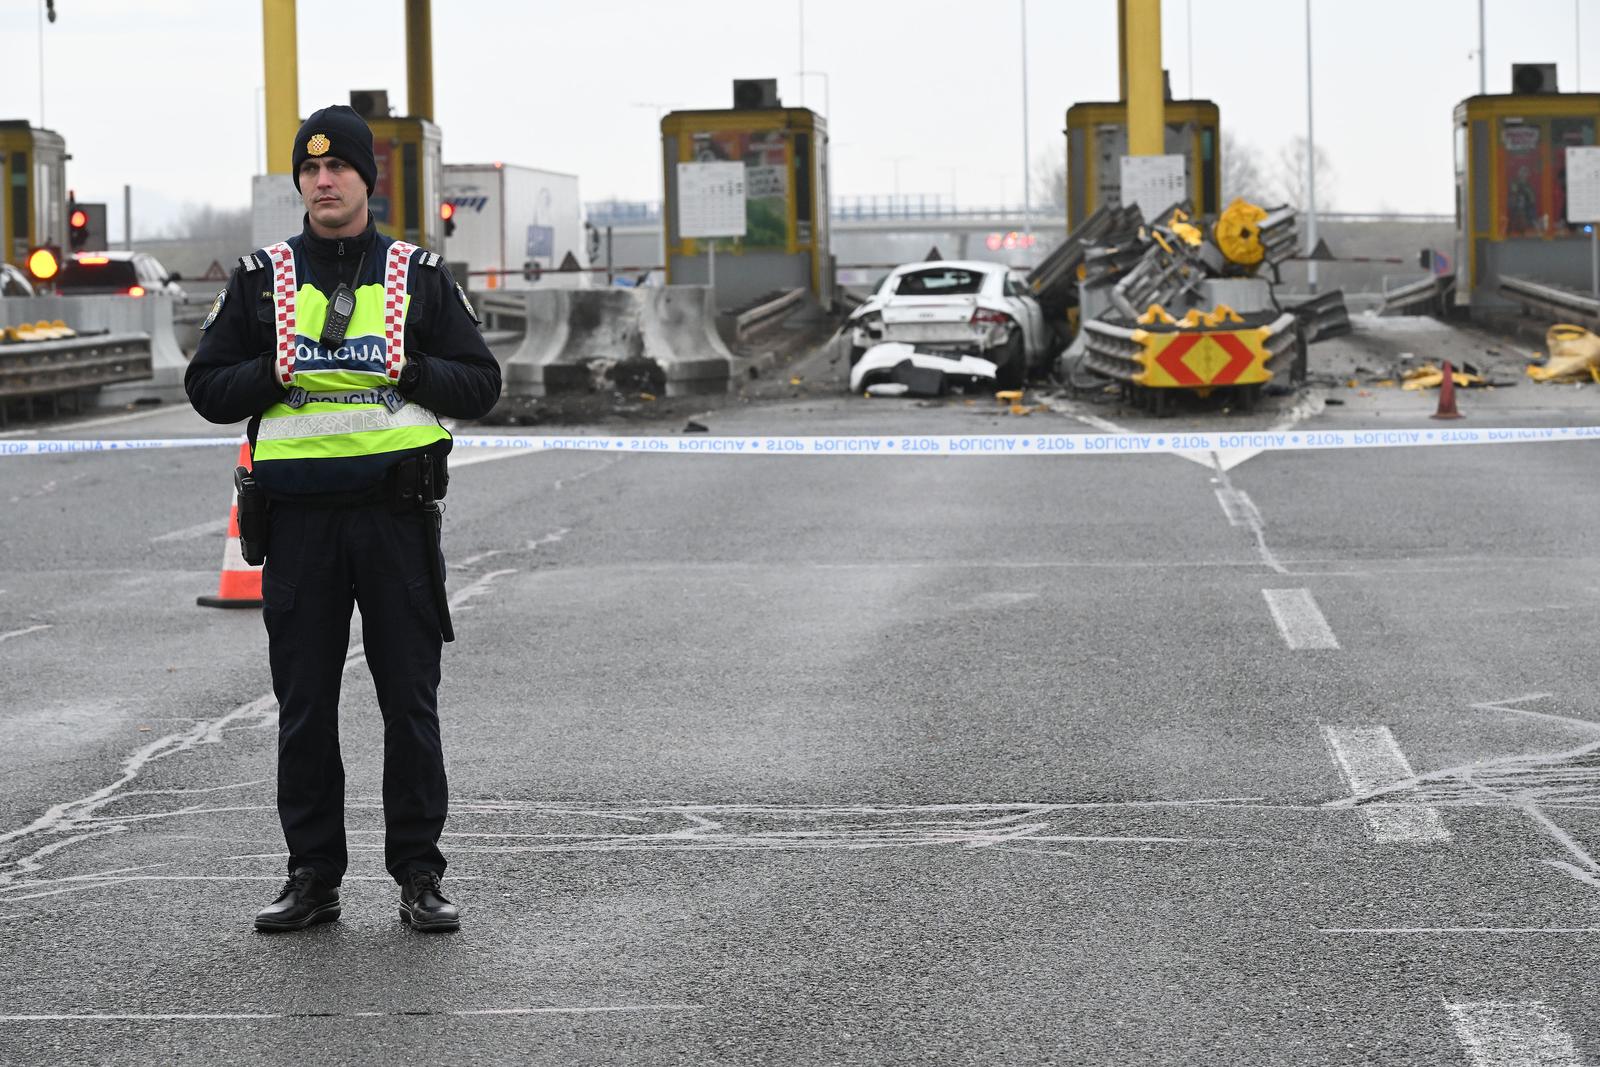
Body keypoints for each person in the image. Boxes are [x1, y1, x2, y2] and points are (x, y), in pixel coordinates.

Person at [185, 105, 501, 934]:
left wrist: (414, 365)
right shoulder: (260, 279)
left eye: (339, 168)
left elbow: (482, 384)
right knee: (304, 708)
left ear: (367, 178)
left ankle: (420, 876)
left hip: (395, 521)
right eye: (310, 170)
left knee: (410, 702)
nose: (324, 182)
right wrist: (270, 370)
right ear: (300, 181)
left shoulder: (418, 275)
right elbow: (207, 390)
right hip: (298, 529)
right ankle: (312, 876)